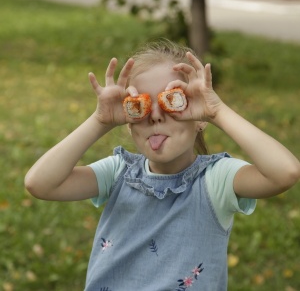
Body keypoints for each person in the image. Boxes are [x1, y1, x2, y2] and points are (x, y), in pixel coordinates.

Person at [25, 39, 300, 291]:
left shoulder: (215, 181)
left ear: (199, 118)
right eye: (139, 106)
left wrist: (217, 111)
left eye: (172, 102)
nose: (155, 117)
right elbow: (40, 183)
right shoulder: (119, 172)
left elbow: (284, 172)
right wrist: (100, 122)